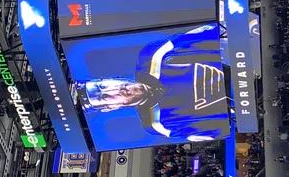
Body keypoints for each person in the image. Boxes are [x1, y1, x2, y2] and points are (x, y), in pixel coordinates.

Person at [76, 24, 230, 142]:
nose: (114, 91)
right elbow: (218, 130)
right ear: (110, 108)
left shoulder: (154, 54)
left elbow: (210, 34)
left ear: (108, 79)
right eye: (105, 98)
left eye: (103, 86)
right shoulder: (159, 124)